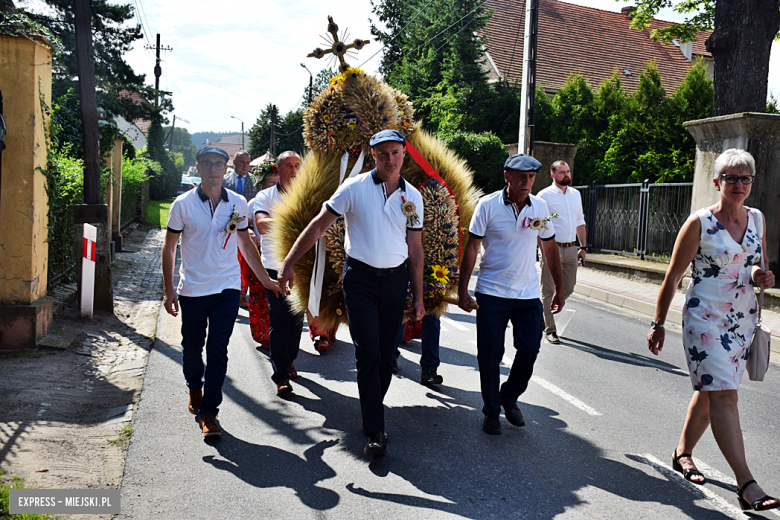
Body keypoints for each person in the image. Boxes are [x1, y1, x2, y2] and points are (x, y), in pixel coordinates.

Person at [278, 129, 426, 458]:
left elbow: (415, 250)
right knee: (368, 353)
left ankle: (371, 408)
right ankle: (375, 428)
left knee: (387, 357)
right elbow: (318, 226)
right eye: (383, 153)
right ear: (373, 154)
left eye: (396, 153)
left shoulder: (413, 197)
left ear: (404, 153)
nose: (390, 159)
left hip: (395, 282)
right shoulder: (354, 189)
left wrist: (417, 297)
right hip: (360, 280)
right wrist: (289, 263)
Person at [648, 149, 779, 512]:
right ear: (716, 181)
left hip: (741, 320)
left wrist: (761, 276)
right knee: (724, 394)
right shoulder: (699, 223)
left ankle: (682, 453)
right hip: (704, 321)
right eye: (731, 178)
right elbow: (673, 276)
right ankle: (747, 484)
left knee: (711, 392)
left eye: (745, 178)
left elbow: (755, 265)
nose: (738, 185)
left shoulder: (758, 219)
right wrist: (658, 324)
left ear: (751, 182)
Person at [162, 145, 280, 438]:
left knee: (217, 349)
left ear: (225, 169)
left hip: (227, 286)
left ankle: (209, 412)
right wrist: (168, 290)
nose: (214, 169)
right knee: (192, 347)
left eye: (219, 164)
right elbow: (169, 247)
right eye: (207, 163)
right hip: (192, 288)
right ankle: (194, 386)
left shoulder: (238, 203)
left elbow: (244, 243)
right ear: (199, 167)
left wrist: (264, 278)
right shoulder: (183, 205)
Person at [458, 153, 564, 435]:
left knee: (530, 348)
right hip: (491, 292)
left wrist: (558, 288)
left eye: (531, 177)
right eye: (521, 177)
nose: (527, 182)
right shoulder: (488, 206)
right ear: (507, 176)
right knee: (491, 355)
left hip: (527, 294)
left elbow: (549, 247)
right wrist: (462, 289)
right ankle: (491, 411)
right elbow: (472, 248)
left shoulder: (539, 207)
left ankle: (509, 395)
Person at [255, 151, 305, 396]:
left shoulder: (306, 197)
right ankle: (280, 375)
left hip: (300, 267)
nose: (294, 171)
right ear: (278, 169)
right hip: (273, 265)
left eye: (297, 165)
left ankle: (288, 359)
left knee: (296, 320)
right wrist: (295, 223)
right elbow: (263, 226)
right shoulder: (264, 196)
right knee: (278, 318)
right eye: (288, 166)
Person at [537, 160, 586, 344]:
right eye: (562, 172)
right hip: (552, 248)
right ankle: (550, 330)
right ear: (553, 175)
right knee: (548, 289)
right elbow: (539, 224)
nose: (566, 175)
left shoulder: (575, 194)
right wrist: (542, 251)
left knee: (569, 287)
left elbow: (580, 221)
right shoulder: (544, 196)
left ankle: (544, 313)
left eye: (567, 171)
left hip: (571, 247)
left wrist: (583, 247)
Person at [246, 169, 280, 348]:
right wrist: (251, 232)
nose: (275, 185)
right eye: (271, 183)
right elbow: (245, 226)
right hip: (257, 253)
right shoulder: (254, 203)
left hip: (277, 255)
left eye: (277, 182)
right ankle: (263, 335)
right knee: (259, 296)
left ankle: (278, 335)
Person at [223, 150, 260, 309]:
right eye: (242, 162)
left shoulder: (256, 181)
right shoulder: (225, 180)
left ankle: (242, 294)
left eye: (247, 163)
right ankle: (227, 291)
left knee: (245, 263)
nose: (245, 166)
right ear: (234, 162)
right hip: (226, 227)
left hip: (247, 228)